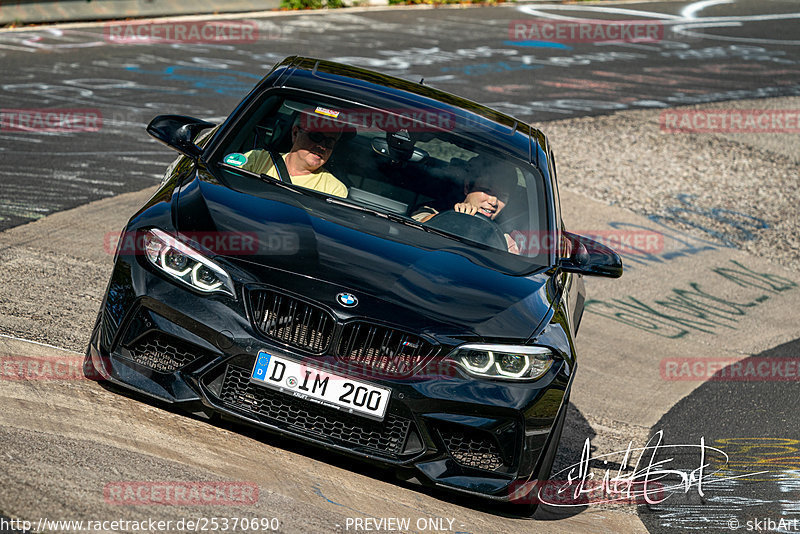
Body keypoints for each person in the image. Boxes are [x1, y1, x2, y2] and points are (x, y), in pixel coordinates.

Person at [412, 157, 520, 254]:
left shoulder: (504, 240)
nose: (493, 202)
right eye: (487, 191)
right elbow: (413, 228)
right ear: (467, 187)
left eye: (502, 196)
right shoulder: (433, 210)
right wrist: (455, 217)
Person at [240, 114, 348, 198]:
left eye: (329, 142)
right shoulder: (257, 158)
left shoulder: (334, 189)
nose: (322, 146)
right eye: (316, 136)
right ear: (295, 133)